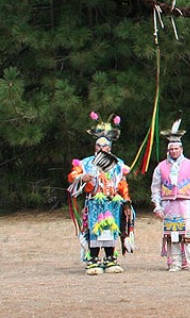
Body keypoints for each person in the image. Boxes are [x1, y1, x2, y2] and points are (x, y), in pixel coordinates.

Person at [67, 112, 133, 275]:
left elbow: (122, 183)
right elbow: (72, 176)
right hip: (94, 202)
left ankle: (110, 258)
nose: (101, 149)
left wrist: (126, 200)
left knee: (111, 228)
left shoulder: (118, 164)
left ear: (110, 148)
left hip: (112, 202)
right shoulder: (86, 162)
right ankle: (93, 259)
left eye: (105, 146)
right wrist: (83, 176)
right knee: (94, 230)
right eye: (98, 146)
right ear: (94, 147)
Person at [150, 120, 190, 271]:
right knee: (173, 233)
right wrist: (157, 205)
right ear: (168, 151)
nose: (174, 151)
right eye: (171, 149)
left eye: (176, 148)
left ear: (181, 149)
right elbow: (155, 188)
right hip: (169, 204)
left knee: (189, 232)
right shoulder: (161, 167)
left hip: (186, 203)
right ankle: (174, 263)